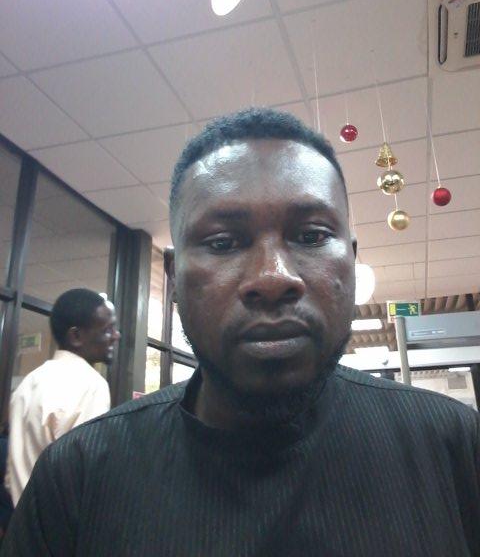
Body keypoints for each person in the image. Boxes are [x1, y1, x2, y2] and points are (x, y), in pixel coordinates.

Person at [2, 108, 480, 556]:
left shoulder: (453, 445)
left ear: (351, 261)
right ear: (174, 278)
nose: (272, 278)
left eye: (311, 236)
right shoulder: (78, 477)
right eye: (223, 242)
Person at [5, 288, 119, 507]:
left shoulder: (28, 384)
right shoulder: (91, 385)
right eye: (108, 329)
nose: (116, 335)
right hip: (64, 524)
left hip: (21, 518)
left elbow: (12, 476)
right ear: (76, 336)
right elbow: (88, 476)